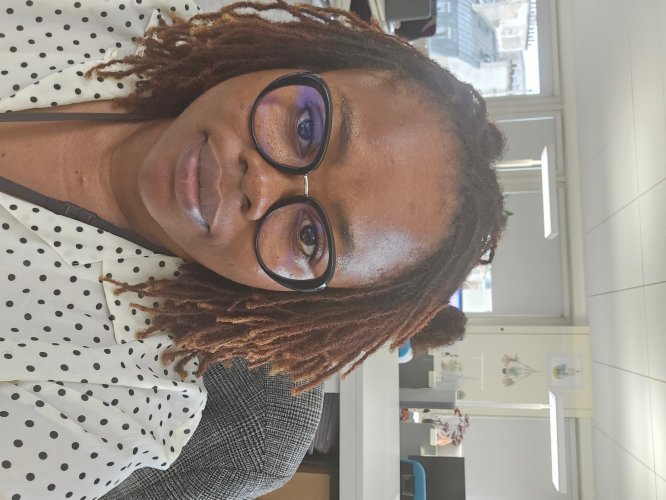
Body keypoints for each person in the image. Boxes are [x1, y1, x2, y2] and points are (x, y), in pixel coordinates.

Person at [0, 1, 505, 498]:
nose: (260, 186)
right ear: (298, 59)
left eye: (309, 238)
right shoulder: (144, 14)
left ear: (296, 302)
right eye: (305, 129)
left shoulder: (117, 410)